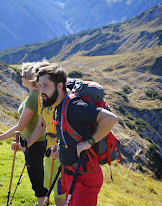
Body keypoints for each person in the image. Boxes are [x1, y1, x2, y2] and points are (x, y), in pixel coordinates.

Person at [14, 64, 118, 206]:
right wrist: (60, 148)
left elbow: (111, 119)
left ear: (59, 86)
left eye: (45, 85)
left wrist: (89, 142)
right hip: (69, 173)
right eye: (39, 86)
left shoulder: (73, 105)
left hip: (85, 178)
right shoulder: (57, 106)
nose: (41, 91)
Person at [0, 62, 48, 205]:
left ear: (30, 78)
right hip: (37, 140)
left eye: (22, 75)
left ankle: (42, 203)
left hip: (34, 143)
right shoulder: (36, 95)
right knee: (37, 171)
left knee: (36, 174)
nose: (20, 77)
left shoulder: (34, 97)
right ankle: (42, 201)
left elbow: (20, 126)